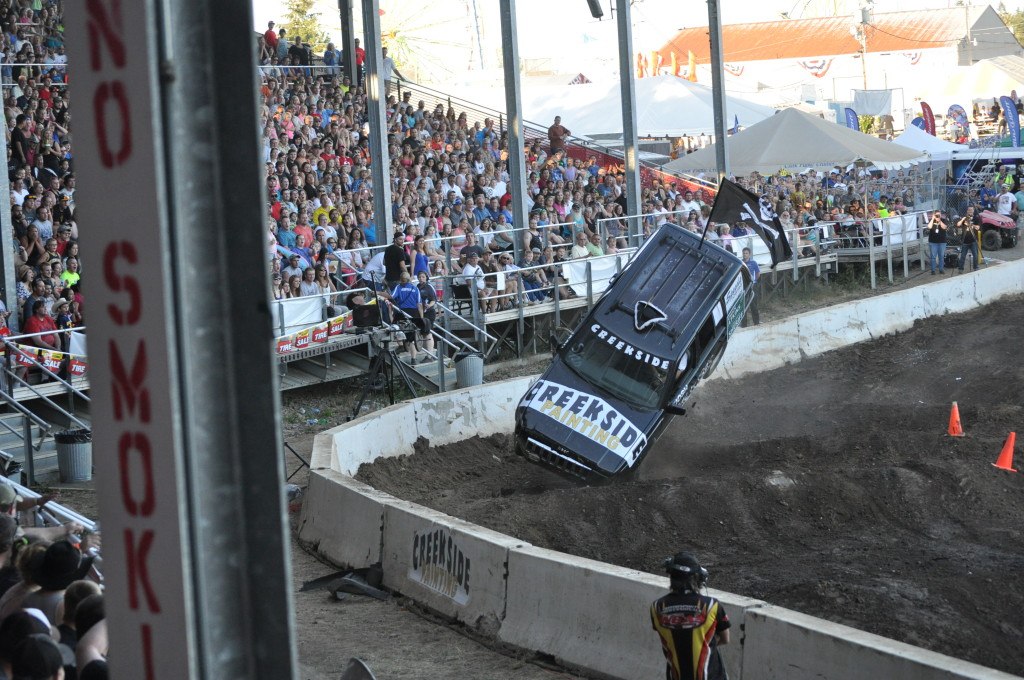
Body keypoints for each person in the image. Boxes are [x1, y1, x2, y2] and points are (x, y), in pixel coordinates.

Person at [651, 552, 731, 680]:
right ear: (696, 577)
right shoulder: (712, 605)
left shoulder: (657, 607)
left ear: (671, 575)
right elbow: (725, 639)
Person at [389, 273, 424, 363]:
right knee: (412, 337)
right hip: (414, 313)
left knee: (395, 329)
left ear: (401, 279)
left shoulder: (398, 287)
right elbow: (419, 304)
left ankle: (401, 345)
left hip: (402, 312)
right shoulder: (415, 288)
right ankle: (413, 359)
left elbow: (391, 297)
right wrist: (421, 318)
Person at [956, 207, 981, 274]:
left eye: (971, 210)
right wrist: (963, 220)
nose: (970, 211)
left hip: (973, 240)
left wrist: (971, 224)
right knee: (963, 256)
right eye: (969, 210)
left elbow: (978, 227)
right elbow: (958, 225)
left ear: (973, 211)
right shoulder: (964, 218)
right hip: (965, 241)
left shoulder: (976, 218)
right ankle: (960, 268)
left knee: (975, 255)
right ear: (967, 211)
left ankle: (975, 267)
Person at [741, 247, 760, 326]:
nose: (745, 255)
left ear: (749, 254)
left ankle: (756, 323)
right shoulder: (741, 262)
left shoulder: (753, 262)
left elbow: (758, 273)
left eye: (746, 253)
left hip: (752, 285)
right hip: (744, 286)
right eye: (744, 253)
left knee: (753, 305)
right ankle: (744, 325)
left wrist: (754, 281)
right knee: (744, 306)